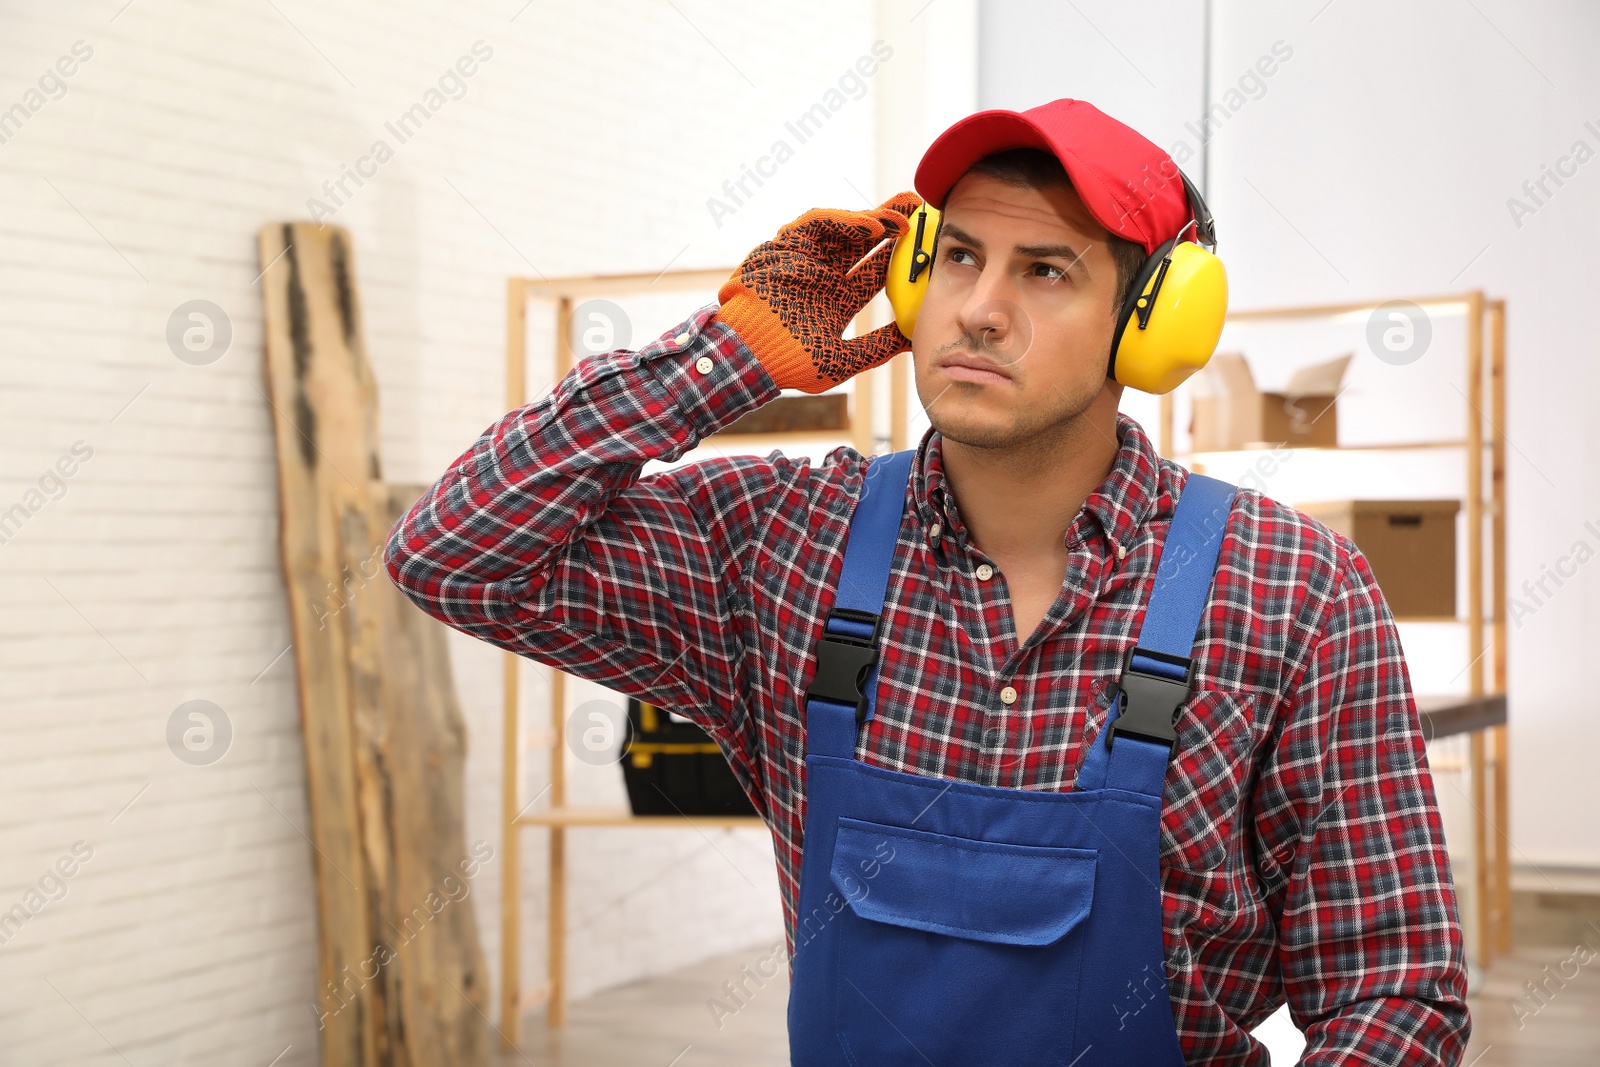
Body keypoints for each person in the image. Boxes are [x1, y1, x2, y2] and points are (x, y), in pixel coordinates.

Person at [385, 97, 1470, 1065]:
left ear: (1153, 326)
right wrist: (727, 357)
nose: (978, 308)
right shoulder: (784, 542)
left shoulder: (1287, 586)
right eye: (955, 257)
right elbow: (453, 551)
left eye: (1045, 269)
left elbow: (1394, 989)